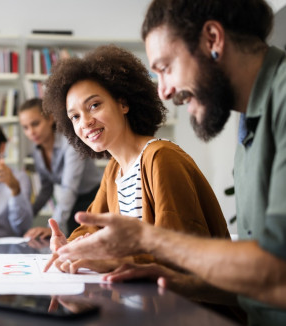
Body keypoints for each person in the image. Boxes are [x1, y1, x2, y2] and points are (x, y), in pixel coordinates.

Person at [55, 0, 286, 324]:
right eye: (75, 116)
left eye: (165, 67)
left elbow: (277, 271)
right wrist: (173, 281)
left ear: (212, 39)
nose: (163, 91)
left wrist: (140, 242)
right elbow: (260, 285)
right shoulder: (250, 127)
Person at [43, 45, 230, 275]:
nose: (85, 122)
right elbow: (91, 230)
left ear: (123, 103)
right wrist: (70, 247)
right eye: (75, 116)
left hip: (192, 307)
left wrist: (115, 260)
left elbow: (180, 250)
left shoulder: (161, 158)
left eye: (94, 105)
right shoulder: (114, 170)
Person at [19, 98, 102, 239]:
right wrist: (26, 218)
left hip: (93, 200)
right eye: (26, 127)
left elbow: (69, 188)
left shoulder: (71, 143)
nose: (31, 132)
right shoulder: (37, 152)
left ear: (50, 119)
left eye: (35, 124)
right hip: (72, 201)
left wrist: (52, 228)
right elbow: (46, 189)